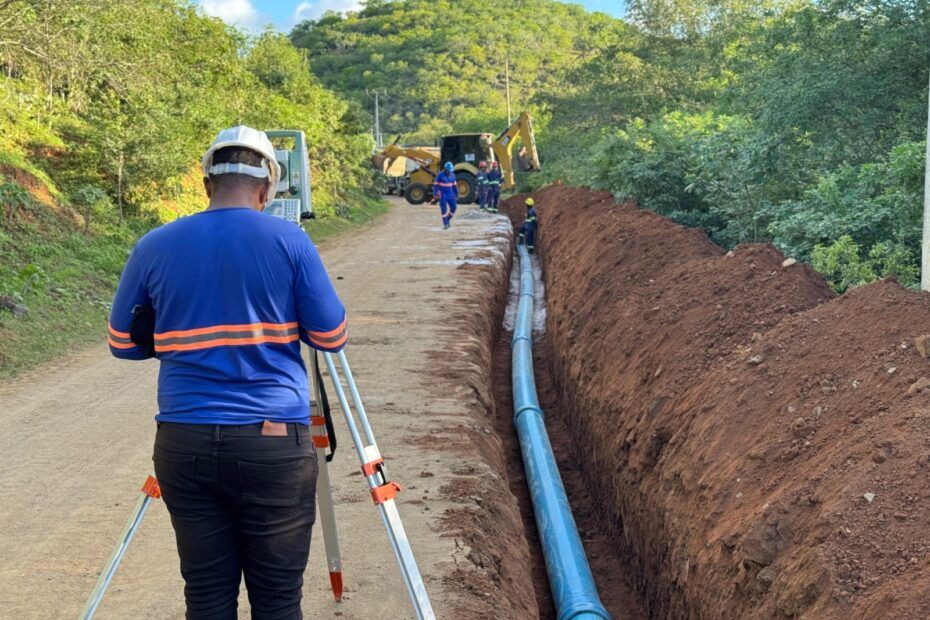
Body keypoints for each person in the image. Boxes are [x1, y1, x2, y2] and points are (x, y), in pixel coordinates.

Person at [107, 125, 347, 619]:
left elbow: (122, 343)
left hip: (185, 441)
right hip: (273, 445)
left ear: (206, 184)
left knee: (207, 596)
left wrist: (175, 333)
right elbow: (330, 336)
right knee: (277, 600)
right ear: (267, 188)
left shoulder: (154, 245)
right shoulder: (290, 241)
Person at [432, 161, 457, 229]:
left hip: (450, 194)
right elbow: (435, 186)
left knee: (454, 207)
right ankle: (445, 224)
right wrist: (435, 194)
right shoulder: (440, 175)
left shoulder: (453, 175)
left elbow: (454, 186)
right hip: (443, 195)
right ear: (445, 169)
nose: (449, 172)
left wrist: (456, 194)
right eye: (448, 171)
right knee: (444, 209)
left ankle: (447, 219)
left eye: (450, 171)